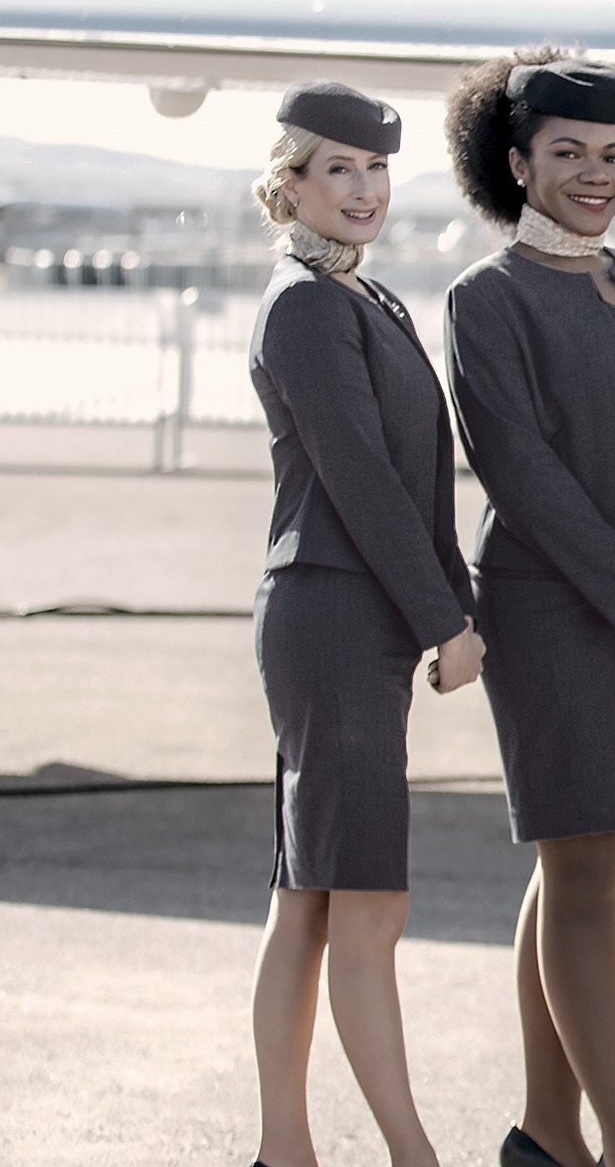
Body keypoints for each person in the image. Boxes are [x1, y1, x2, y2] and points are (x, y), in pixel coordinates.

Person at [443, 50, 615, 1167]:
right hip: (551, 611)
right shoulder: (486, 298)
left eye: (612, 154)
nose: (595, 175)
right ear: (515, 164)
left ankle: (546, 1131)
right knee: (585, 876)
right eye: (567, 154)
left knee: (578, 867)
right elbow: (524, 474)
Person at [245, 80, 480, 1167]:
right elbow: (364, 482)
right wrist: (450, 620)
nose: (363, 188)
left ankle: (285, 1149)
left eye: (376, 168)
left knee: (311, 896)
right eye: (337, 168)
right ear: (289, 183)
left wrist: (443, 609)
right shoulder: (305, 304)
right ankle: (410, 1155)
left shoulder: (360, 299)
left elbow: (408, 480)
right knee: (365, 907)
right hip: (335, 613)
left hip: (347, 612)